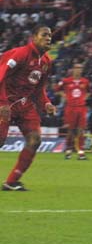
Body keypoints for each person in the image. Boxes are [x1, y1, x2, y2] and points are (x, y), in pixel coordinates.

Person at [0, 26, 57, 191]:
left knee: (35, 140)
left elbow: (39, 89)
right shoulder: (20, 54)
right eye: (44, 35)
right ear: (34, 37)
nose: (48, 38)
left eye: (50, 35)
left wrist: (46, 103)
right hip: (5, 101)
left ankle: (11, 182)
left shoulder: (46, 62)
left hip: (24, 105)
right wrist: (2, 103)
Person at [57, 62, 91, 160]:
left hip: (81, 108)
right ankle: (68, 150)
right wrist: (65, 96)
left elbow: (89, 92)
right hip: (70, 107)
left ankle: (81, 152)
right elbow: (58, 89)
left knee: (81, 130)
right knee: (71, 130)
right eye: (77, 68)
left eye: (80, 68)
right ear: (73, 69)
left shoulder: (85, 81)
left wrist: (84, 98)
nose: (78, 70)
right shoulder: (66, 81)